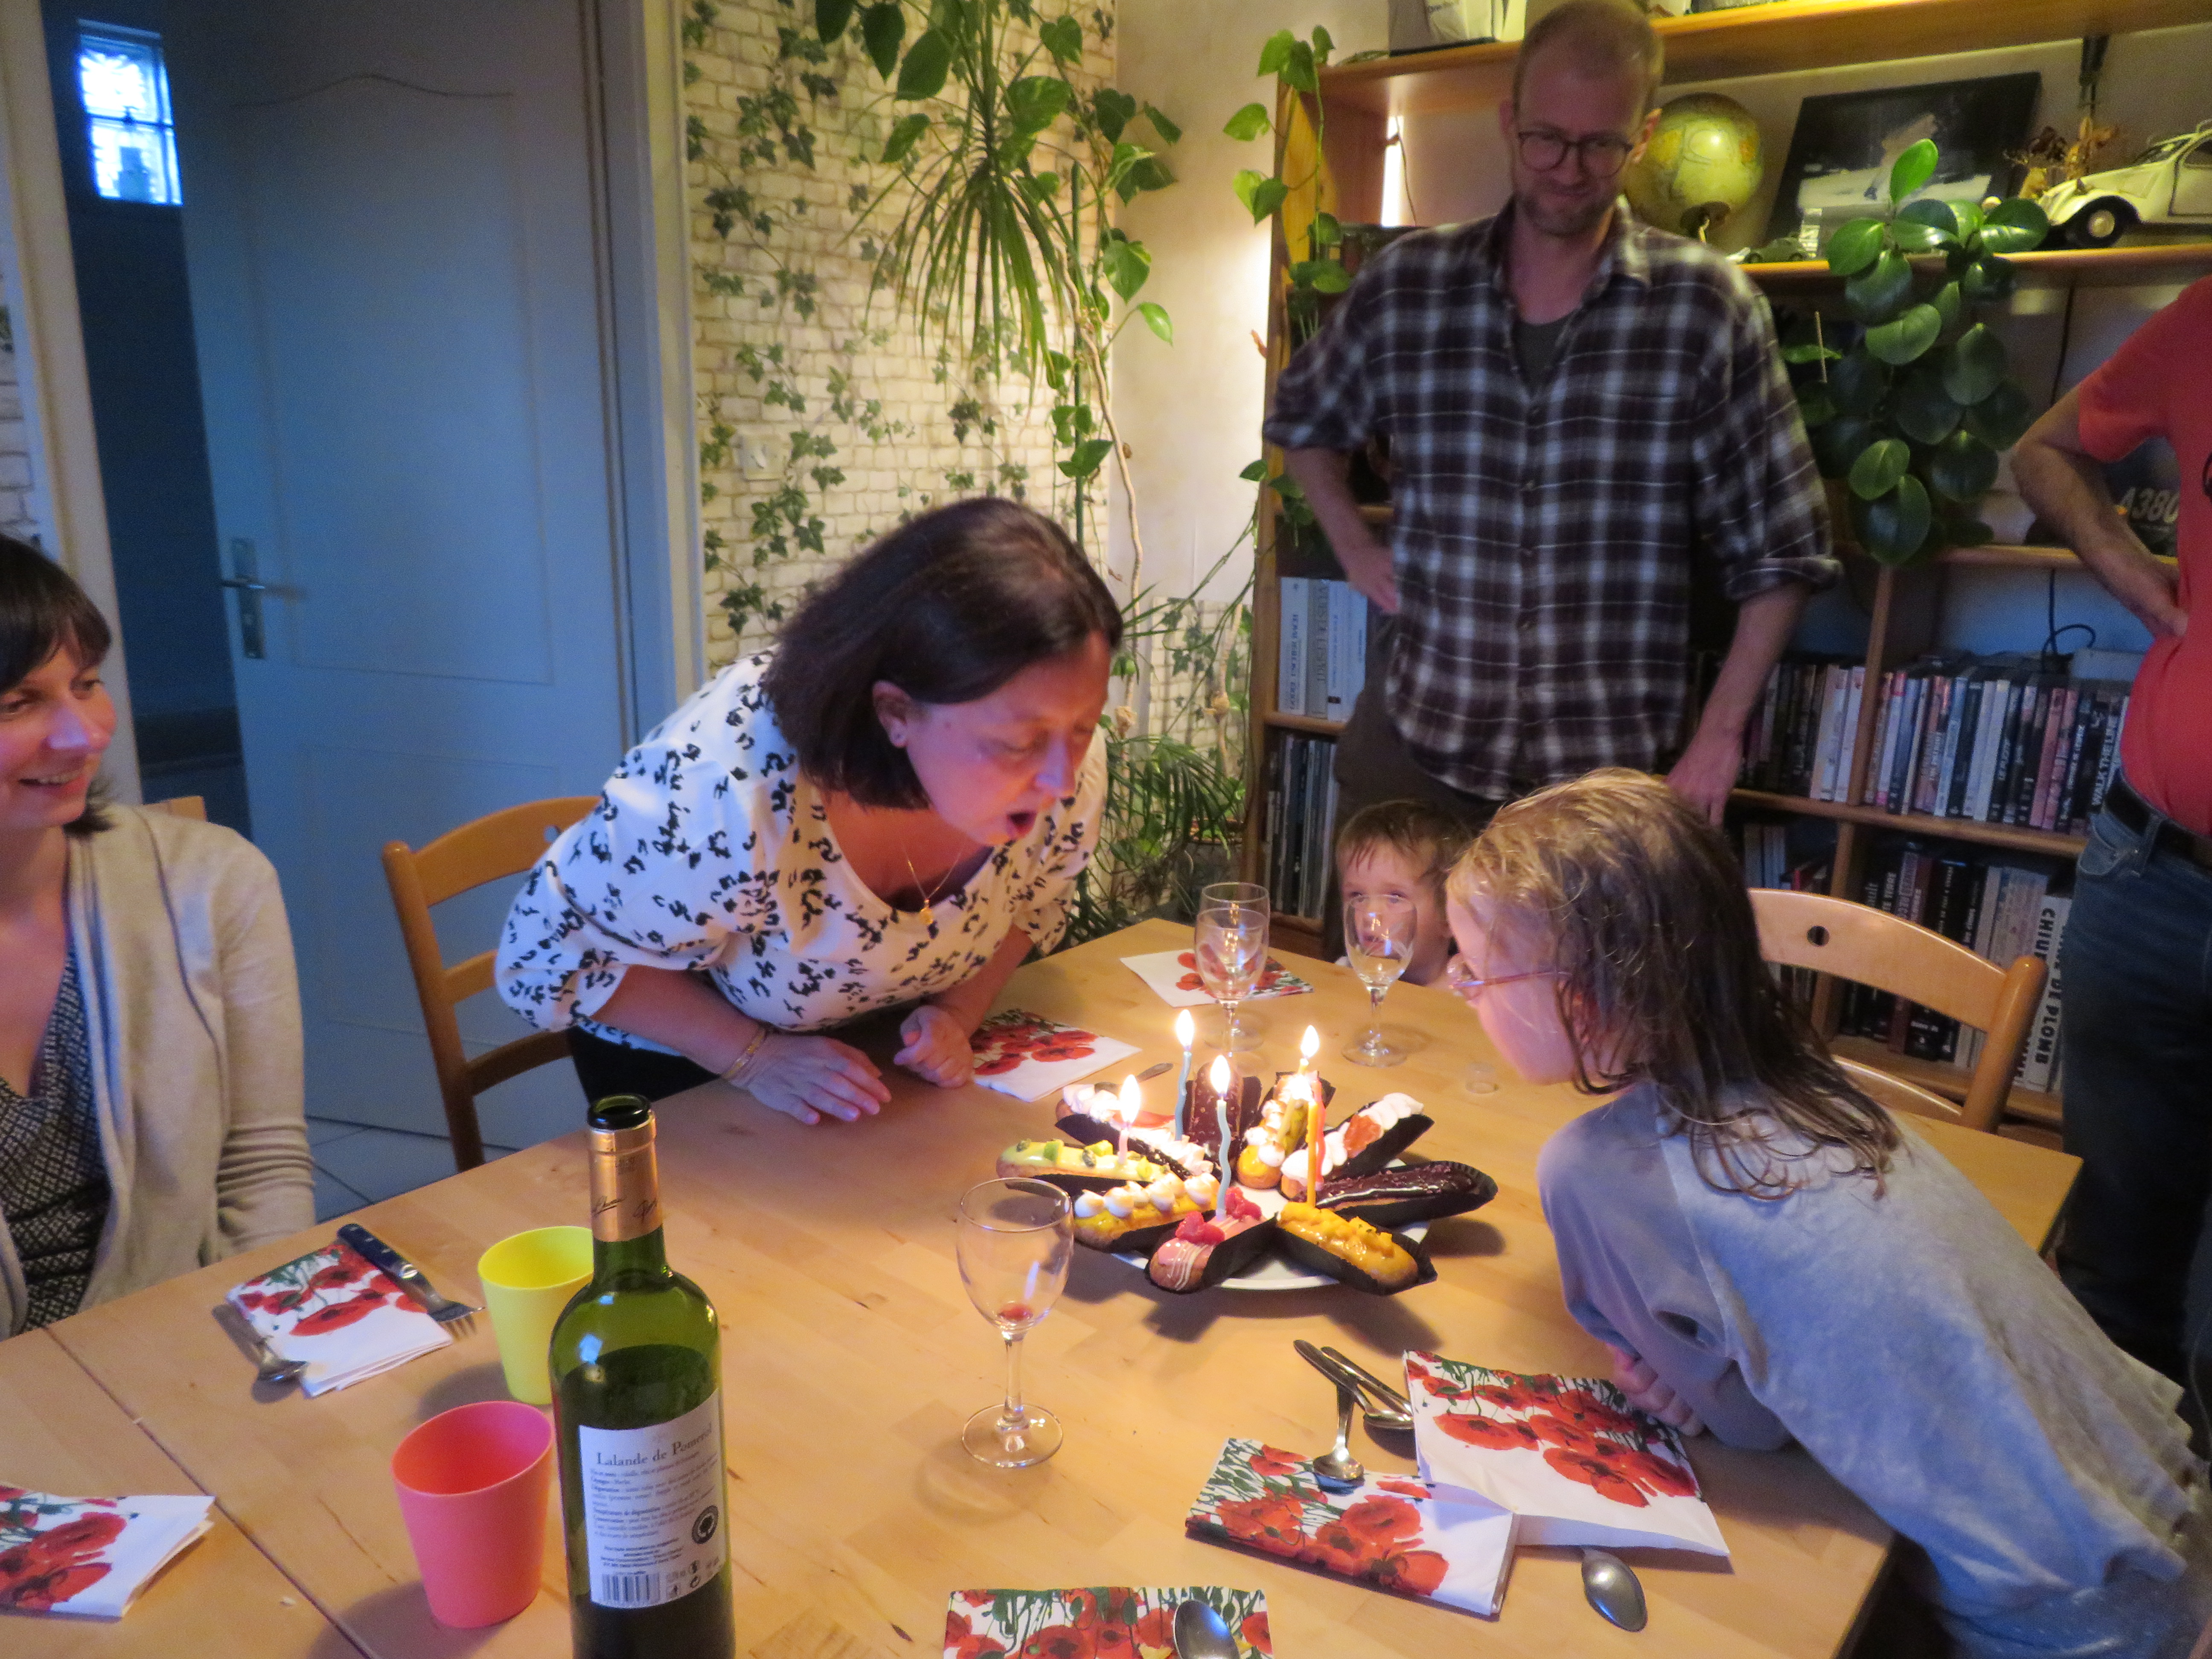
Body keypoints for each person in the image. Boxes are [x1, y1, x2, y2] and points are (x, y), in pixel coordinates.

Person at [1442, 769, 2211, 1657]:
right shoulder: (1807, 1076)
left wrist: (1692, 1385)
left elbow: (1749, 1426)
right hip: (2169, 1503)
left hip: (2069, 1621)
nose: (1459, 984)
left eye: (1474, 969)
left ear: (1578, 998)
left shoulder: (1591, 1172)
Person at [1264, 0, 1834, 899]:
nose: (1569, 169)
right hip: (1418, 758)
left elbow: (1784, 549)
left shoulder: (1705, 308)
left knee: (1574, 999)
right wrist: (1354, 544)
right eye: (1545, 140)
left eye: (1599, 145)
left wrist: (1718, 736)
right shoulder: (1410, 287)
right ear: (1510, 121)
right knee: (1374, 992)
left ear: (1643, 136)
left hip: (1599, 793)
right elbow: (1302, 419)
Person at [498, 498, 1116, 1125]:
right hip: (689, 1075)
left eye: (1083, 728)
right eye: (1017, 743)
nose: (1061, 779)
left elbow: (1036, 900)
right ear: (896, 713)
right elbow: (549, 952)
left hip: (873, 1060)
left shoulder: (1066, 767)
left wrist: (958, 1014)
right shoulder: (729, 795)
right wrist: (755, 1059)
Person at [0, 535, 312, 1335]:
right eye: (17, 704)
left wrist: (275, 1344)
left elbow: (263, 1166)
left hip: (186, 1336)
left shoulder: (211, 882)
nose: (85, 734)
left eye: (86, 684)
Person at [2011, 276, 2209, 1388]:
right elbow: (2043, 451)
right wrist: (2137, 579)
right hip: (2148, 874)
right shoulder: (2207, 320)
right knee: (2111, 1273)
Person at [1333, 799, 1468, 987]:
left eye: (1395, 898)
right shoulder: (1342, 975)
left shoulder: (1469, 996)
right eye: (1357, 896)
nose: (1371, 915)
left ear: (1449, 917)